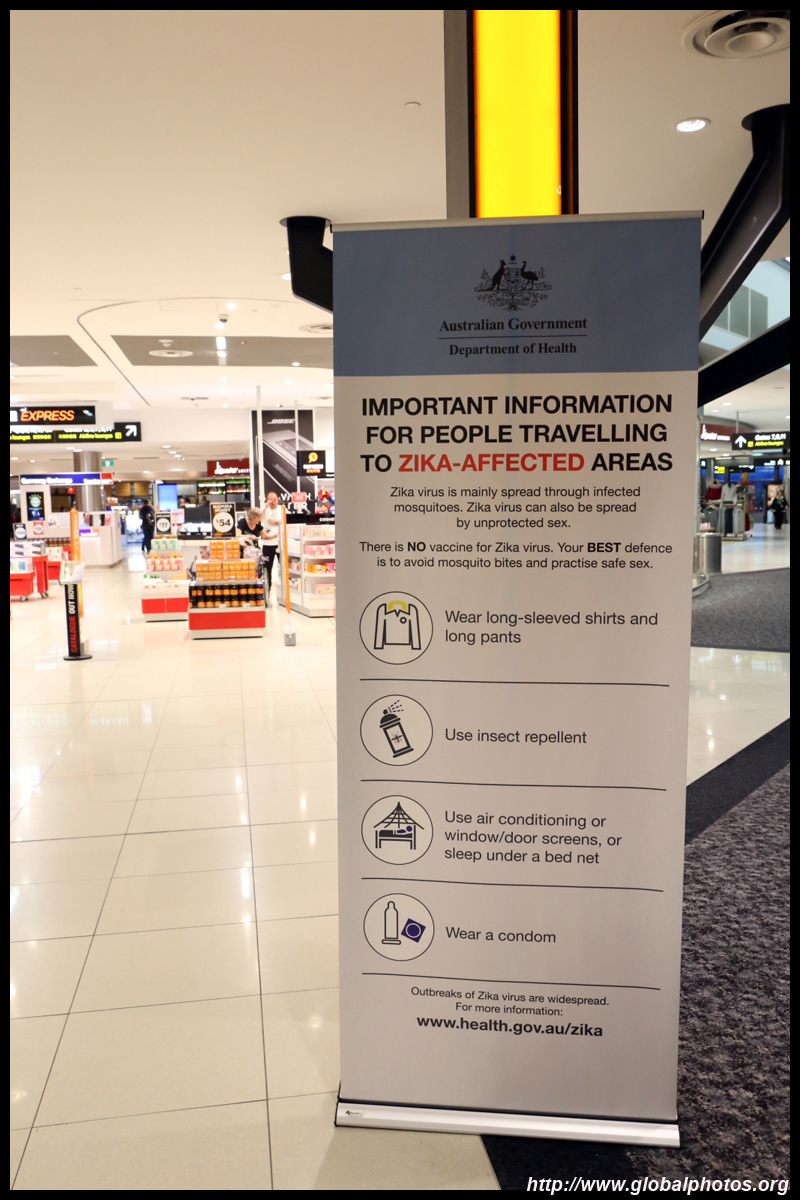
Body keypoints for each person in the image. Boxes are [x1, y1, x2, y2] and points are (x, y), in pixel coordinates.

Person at [260, 492, 281, 597]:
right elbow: (259, 519)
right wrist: (266, 507)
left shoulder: (282, 509)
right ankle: (267, 592)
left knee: (285, 567)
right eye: (270, 500)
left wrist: (276, 521)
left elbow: (287, 522)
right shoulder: (264, 510)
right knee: (267, 568)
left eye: (274, 500)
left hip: (280, 543)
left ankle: (286, 591)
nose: (273, 502)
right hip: (268, 544)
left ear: (278, 499)